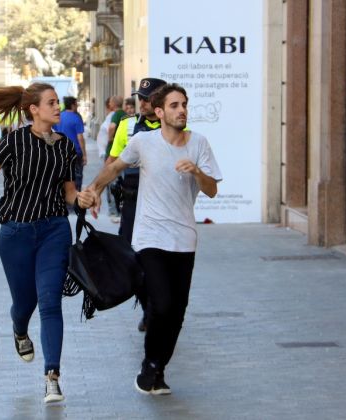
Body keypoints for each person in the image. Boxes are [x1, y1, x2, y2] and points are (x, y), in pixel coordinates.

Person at [80, 83, 222, 396]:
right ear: (159, 112)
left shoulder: (199, 143)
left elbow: (211, 189)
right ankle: (151, 365)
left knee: (177, 312)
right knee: (162, 304)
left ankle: (156, 367)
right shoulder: (144, 141)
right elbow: (115, 167)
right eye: (174, 105)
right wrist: (94, 190)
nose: (181, 110)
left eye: (184, 104)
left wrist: (197, 171)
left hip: (184, 239)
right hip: (150, 237)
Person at [0, 83, 91, 404]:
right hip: (16, 233)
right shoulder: (15, 141)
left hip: (55, 230)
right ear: (34, 109)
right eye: (52, 103)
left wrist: (82, 198)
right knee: (24, 303)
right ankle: (19, 329)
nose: (58, 108)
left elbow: (68, 193)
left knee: (50, 302)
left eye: (58, 102)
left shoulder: (66, 147)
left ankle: (52, 376)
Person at [107, 77, 167, 332]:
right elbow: (112, 163)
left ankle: (161, 306)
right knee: (134, 259)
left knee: (161, 260)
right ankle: (148, 308)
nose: (141, 103)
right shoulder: (126, 125)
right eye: (140, 98)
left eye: (147, 98)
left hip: (163, 203)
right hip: (132, 203)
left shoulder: (176, 128)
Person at [53, 96, 86, 191]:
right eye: (76, 104)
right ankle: (76, 200)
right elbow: (80, 137)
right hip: (75, 152)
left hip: (62, 152)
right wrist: (84, 154)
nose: (77, 106)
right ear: (72, 105)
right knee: (77, 177)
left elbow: (53, 132)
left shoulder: (59, 116)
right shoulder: (77, 118)